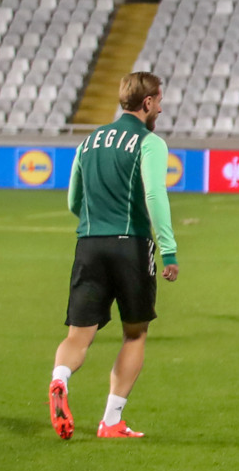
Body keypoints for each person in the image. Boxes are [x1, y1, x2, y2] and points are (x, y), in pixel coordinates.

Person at [47, 72, 179, 440]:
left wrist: (96, 223)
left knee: (79, 335)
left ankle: (60, 380)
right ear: (148, 102)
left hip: (88, 243)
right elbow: (154, 195)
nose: (162, 107)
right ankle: (111, 421)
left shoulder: (88, 142)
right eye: (160, 101)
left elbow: (74, 199)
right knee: (135, 334)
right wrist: (168, 250)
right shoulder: (149, 143)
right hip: (130, 244)